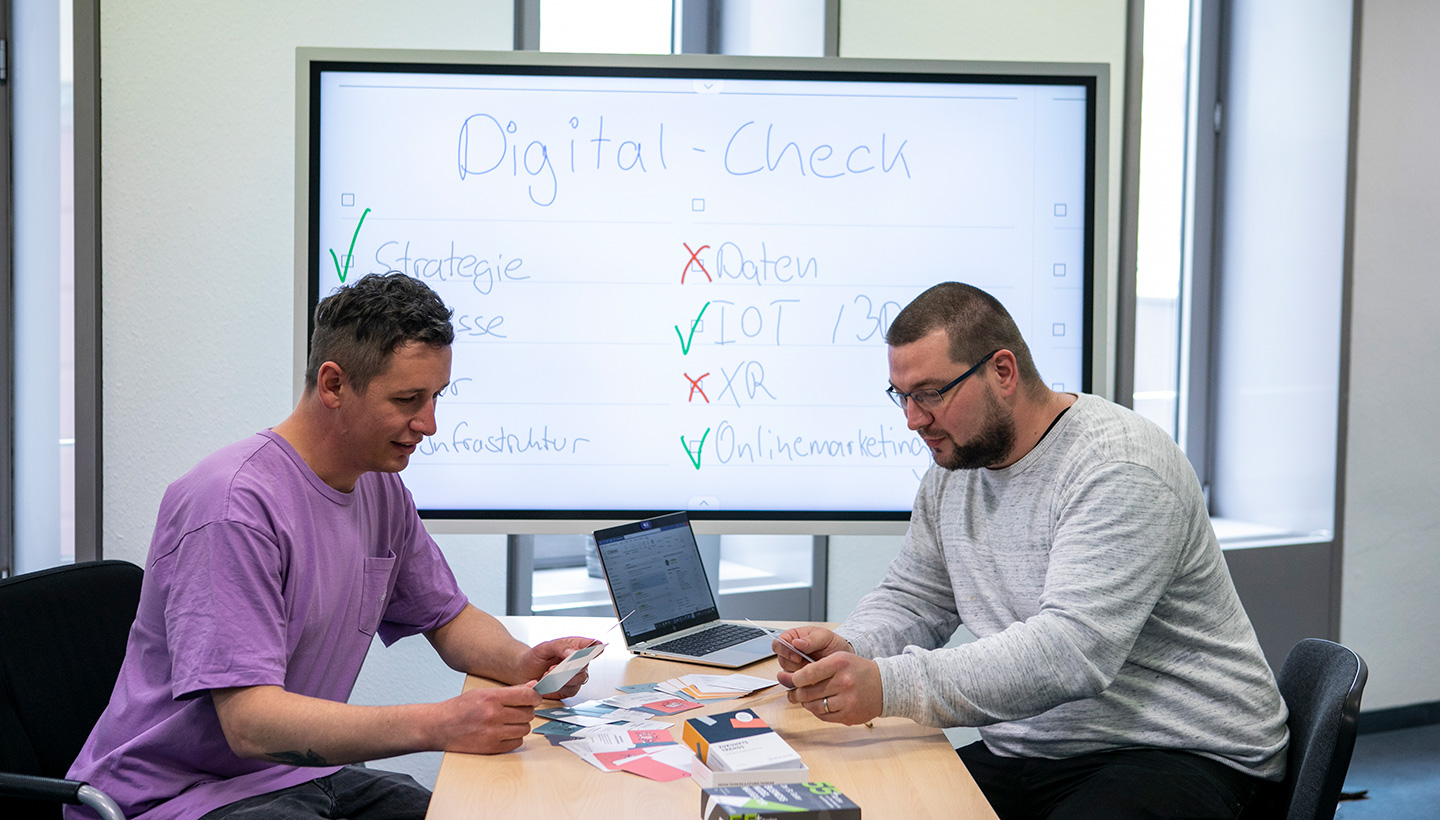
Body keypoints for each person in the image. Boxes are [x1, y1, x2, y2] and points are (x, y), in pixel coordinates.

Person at [67, 272, 594, 820]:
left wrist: (522, 661)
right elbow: (250, 724)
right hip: (178, 798)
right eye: (408, 399)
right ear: (334, 385)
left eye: (436, 397)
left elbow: (448, 617)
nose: (430, 424)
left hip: (298, 774)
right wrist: (438, 724)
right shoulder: (231, 506)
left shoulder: (379, 487)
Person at [774, 282, 1289, 820]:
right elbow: (916, 597)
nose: (913, 419)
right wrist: (848, 646)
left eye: (929, 393)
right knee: (878, 805)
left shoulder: (1118, 467)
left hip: (1182, 751)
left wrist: (887, 685)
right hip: (1036, 749)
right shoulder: (955, 470)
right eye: (901, 395)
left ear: (1002, 371)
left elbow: (1071, 652)